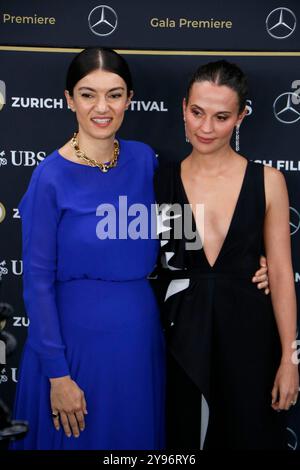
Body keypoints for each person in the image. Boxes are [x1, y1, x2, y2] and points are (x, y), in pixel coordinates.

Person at [10, 47, 165, 450]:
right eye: (88, 94)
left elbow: (182, 230)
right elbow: (37, 284)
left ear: (129, 99)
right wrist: (58, 375)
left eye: (114, 94)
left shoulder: (144, 161)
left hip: (136, 342)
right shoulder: (49, 178)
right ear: (68, 99)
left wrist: (249, 264)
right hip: (73, 348)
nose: (102, 107)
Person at [154, 60, 299, 450]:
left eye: (220, 117)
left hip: (250, 339)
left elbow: (282, 272)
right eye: (197, 113)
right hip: (180, 338)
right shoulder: (159, 180)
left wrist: (290, 360)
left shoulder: (268, 181)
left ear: (240, 117)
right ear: (184, 107)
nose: (205, 128)